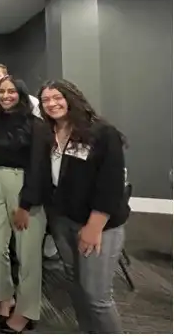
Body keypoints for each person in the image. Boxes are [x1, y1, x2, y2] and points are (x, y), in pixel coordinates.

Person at [35, 79, 129, 334]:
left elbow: (111, 185)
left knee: (97, 295)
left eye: (57, 97)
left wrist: (94, 226)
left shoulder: (101, 132)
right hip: (62, 220)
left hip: (98, 225)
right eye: (46, 100)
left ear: (72, 98)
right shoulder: (48, 133)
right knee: (76, 285)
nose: (52, 104)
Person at [0, 76, 47, 333]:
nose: (6, 95)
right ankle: (4, 297)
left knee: (27, 254)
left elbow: (39, 167)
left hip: (25, 188)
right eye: (2, 91)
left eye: (12, 92)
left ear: (22, 95)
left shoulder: (37, 125)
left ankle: (26, 311)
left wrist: (26, 204)